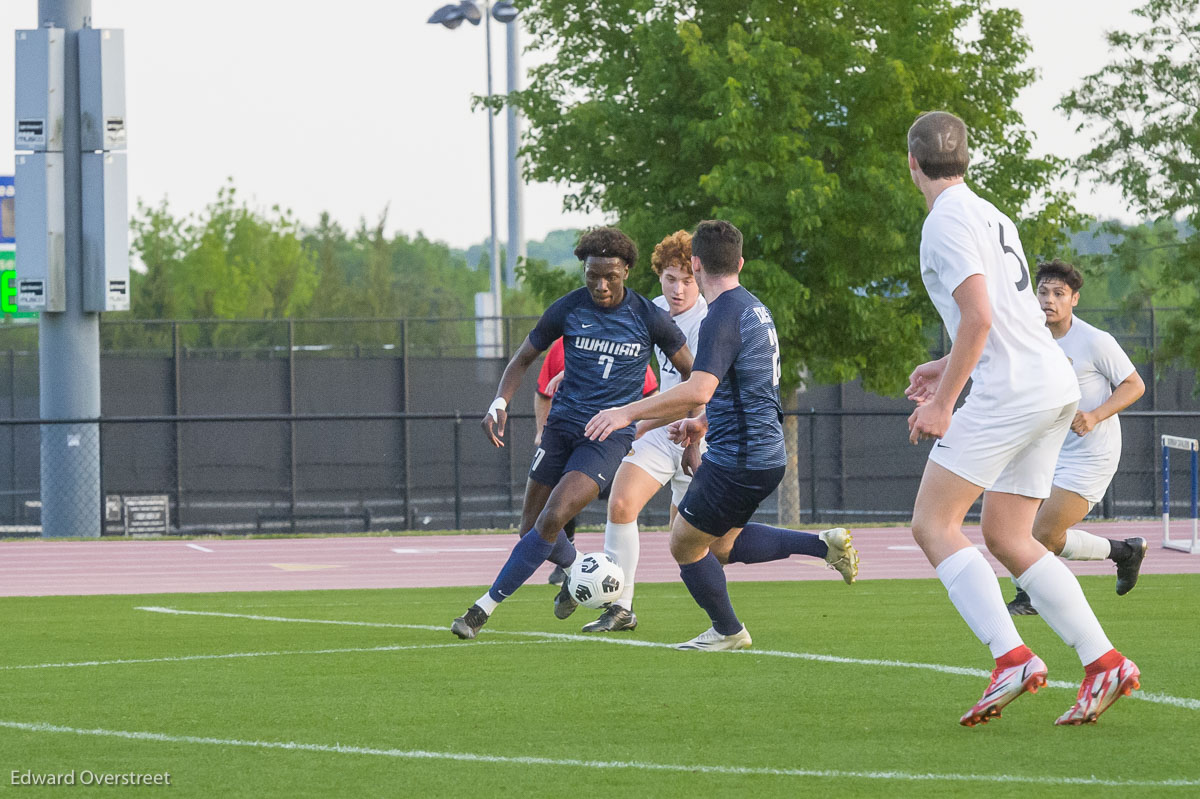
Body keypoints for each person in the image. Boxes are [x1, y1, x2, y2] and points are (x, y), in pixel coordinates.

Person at [903, 111, 1139, 726]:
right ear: (966, 161)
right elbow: (1005, 320)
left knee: (933, 523)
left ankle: (1012, 657)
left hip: (1011, 391)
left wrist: (943, 402)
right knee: (1010, 535)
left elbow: (980, 319)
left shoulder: (944, 220)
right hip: (1051, 382)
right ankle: (1104, 661)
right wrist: (943, 363)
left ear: (912, 164)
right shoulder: (991, 213)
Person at [585, 220, 859, 651]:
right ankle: (823, 545)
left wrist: (626, 413)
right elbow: (747, 389)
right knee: (723, 545)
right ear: (740, 263)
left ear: (696, 263)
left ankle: (728, 631)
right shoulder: (755, 308)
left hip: (739, 459)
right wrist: (702, 424)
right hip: (762, 453)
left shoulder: (720, 317)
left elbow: (698, 389)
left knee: (684, 544)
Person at [451, 227, 692, 640]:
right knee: (530, 528)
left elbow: (694, 376)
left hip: (606, 438)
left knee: (553, 519)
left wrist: (695, 427)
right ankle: (582, 572)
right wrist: (499, 402)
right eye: (592, 275)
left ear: (627, 272)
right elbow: (523, 358)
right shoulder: (568, 309)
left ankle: (481, 610)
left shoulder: (649, 318)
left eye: (610, 277)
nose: (600, 285)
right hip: (561, 428)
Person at [582, 230, 709, 633]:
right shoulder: (650, 311)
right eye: (671, 278)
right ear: (658, 276)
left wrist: (635, 421)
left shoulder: (710, 320)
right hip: (663, 431)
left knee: (708, 547)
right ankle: (620, 606)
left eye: (688, 280)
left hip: (701, 434)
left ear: (700, 277)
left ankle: (815, 545)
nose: (678, 288)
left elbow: (697, 395)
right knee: (621, 504)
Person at [1007, 260, 1147, 615]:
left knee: (1038, 534)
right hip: (1047, 451)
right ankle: (1124, 553)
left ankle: (1030, 596)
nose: (1048, 300)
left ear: (1075, 299)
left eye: (1058, 293)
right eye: (1042, 292)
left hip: (1090, 456)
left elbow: (1135, 385)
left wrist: (1095, 415)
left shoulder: (1095, 341)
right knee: (1022, 530)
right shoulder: (1028, 336)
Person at [533, 336, 659, 586]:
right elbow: (544, 392)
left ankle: (620, 588)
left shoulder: (628, 343)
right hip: (569, 437)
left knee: (622, 504)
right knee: (553, 507)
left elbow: (652, 393)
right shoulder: (560, 345)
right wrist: (540, 431)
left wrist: (639, 429)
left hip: (611, 444)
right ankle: (571, 563)